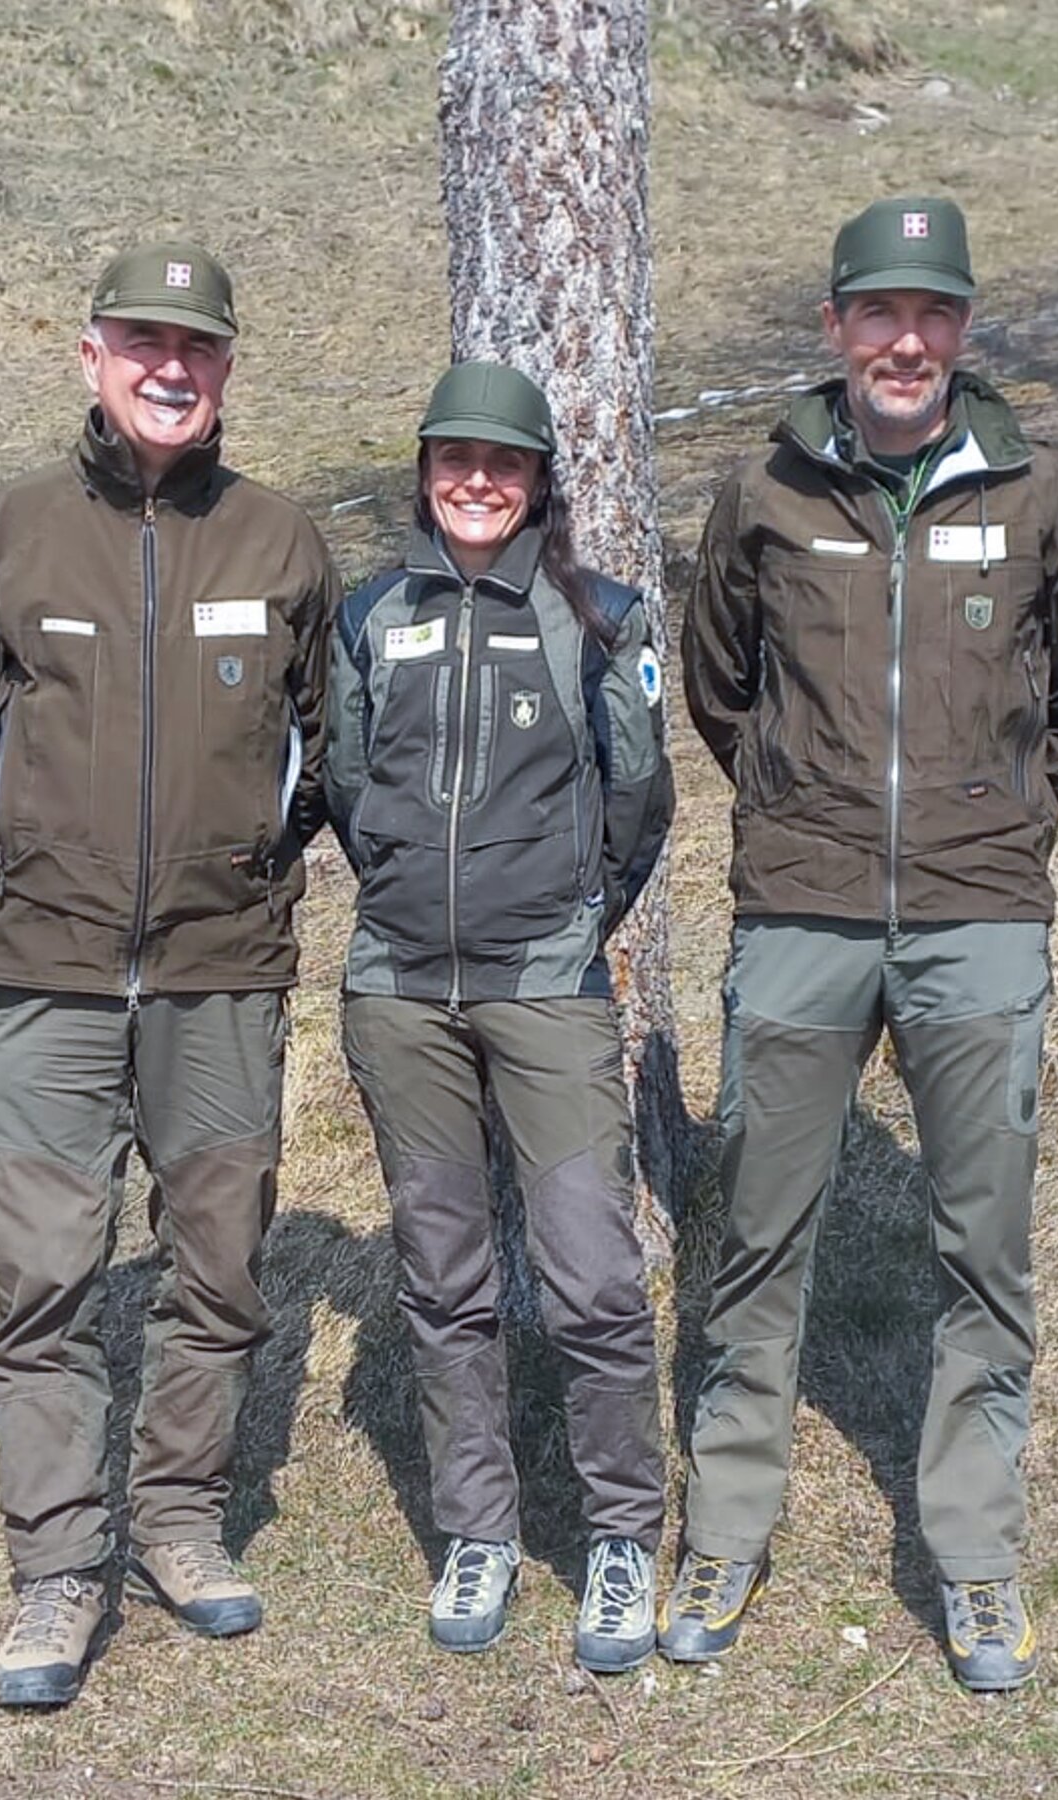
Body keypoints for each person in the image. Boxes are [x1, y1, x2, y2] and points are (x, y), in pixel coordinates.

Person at [670, 197, 1058, 1691]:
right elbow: (716, 686)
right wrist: (802, 804)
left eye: (931, 312)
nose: (904, 338)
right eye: (877, 311)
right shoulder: (762, 494)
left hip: (979, 923)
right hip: (802, 912)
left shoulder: (1042, 497)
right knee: (757, 1229)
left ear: (963, 329)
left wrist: (1004, 811)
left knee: (984, 1242)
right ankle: (728, 1525)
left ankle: (975, 1552)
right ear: (834, 326)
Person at [0, 241, 337, 1710]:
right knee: (45, 1283)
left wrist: (247, 867)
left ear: (226, 371)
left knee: (217, 1272)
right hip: (46, 976)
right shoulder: (13, 534)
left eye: (198, 347)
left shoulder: (282, 544)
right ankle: (57, 1570)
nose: (172, 367)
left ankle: (176, 1524)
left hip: (223, 972)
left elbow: (325, 754)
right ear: (88, 356)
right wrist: (23, 855)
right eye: (144, 342)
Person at [326, 361, 673, 1669]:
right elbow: (355, 794)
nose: (479, 480)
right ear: (424, 468)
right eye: (456, 457)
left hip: (549, 995)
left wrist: (566, 913)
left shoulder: (601, 619)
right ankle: (478, 1530)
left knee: (590, 1276)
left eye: (506, 461)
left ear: (539, 482)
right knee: (444, 1279)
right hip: (402, 997)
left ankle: (622, 1540)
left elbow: (638, 806)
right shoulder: (370, 616)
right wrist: (420, 903)